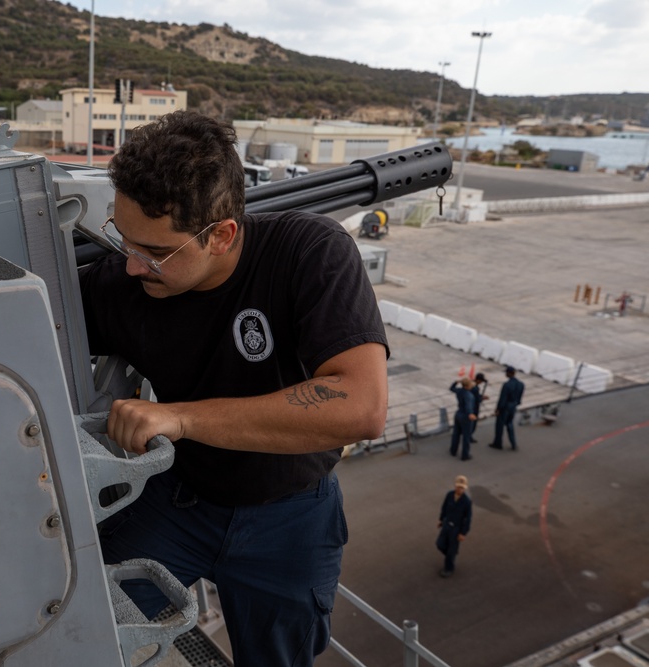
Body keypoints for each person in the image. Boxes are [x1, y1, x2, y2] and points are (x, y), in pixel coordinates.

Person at [79, 110, 389, 666]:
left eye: (155, 251)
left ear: (221, 235)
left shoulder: (306, 253)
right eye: (123, 240)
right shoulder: (123, 284)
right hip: (179, 501)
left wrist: (180, 418)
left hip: (291, 516)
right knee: (80, 621)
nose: (131, 265)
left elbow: (361, 406)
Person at [436, 475, 473, 577]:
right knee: (440, 544)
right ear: (454, 486)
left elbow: (468, 518)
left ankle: (449, 569)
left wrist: (463, 533)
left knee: (451, 551)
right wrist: (441, 519)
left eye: (462, 487)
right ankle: (451, 555)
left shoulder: (466, 502)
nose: (459, 489)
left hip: (456, 529)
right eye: (458, 486)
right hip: (446, 524)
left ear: (465, 488)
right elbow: (444, 507)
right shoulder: (449, 495)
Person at [490, 366, 525, 450]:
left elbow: (502, 398)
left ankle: (498, 443)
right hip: (513, 407)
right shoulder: (521, 384)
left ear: (510, 373)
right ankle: (513, 444)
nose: (506, 374)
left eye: (506, 373)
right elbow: (520, 398)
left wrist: (498, 409)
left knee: (500, 426)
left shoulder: (507, 385)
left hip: (505, 407)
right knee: (510, 424)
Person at [449, 376, 477, 460]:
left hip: (458, 414)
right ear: (467, 386)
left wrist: (456, 382)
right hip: (465, 416)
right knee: (466, 436)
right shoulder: (469, 395)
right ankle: (465, 455)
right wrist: (470, 414)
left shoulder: (459, 391)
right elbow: (468, 406)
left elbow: (451, 388)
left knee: (456, 434)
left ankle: (453, 450)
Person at [469, 372, 487, 442]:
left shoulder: (470, 385)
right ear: (478, 380)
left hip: (469, 407)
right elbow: (476, 399)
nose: (481, 382)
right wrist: (482, 398)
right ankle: (469, 437)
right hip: (474, 408)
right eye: (481, 381)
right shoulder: (475, 388)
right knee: (472, 424)